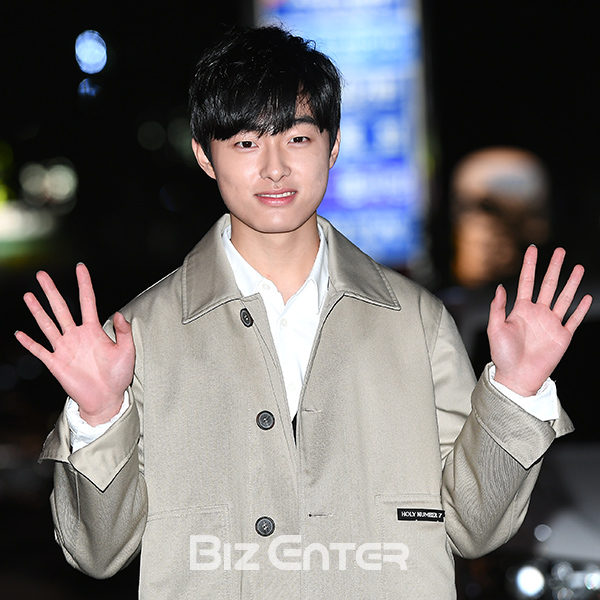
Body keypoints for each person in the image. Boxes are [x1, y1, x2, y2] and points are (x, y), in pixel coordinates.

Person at [15, 26, 592, 599]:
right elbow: (98, 554)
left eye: (296, 138)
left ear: (332, 146)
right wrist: (99, 415)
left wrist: (515, 392)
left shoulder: (418, 322)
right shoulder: (140, 334)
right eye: (245, 143)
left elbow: (474, 528)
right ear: (204, 155)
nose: (274, 168)